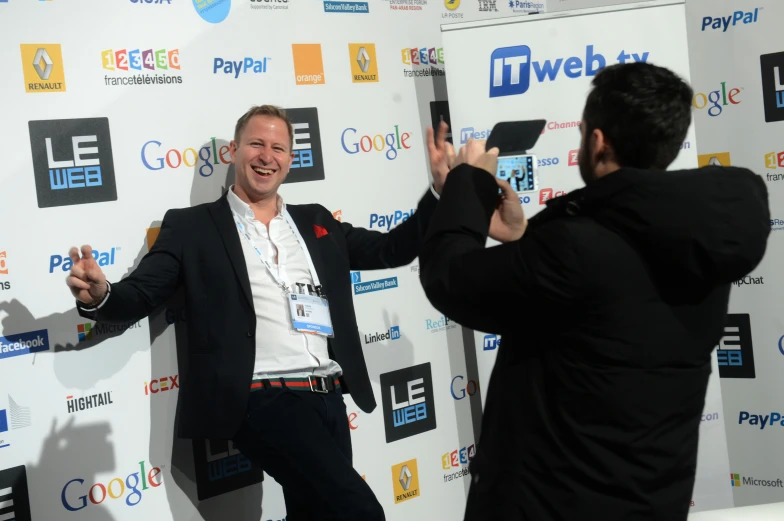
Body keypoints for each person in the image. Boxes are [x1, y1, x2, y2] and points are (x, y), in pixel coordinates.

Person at [65, 105, 455, 521]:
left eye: (278, 148)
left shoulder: (316, 221)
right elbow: (141, 293)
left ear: (290, 159)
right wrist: (100, 294)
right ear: (234, 151)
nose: (267, 156)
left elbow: (390, 250)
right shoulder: (193, 227)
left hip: (327, 397)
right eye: (256, 144)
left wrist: (437, 195)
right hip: (261, 398)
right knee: (360, 513)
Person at [418, 62, 771, 521]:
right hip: (649, 502)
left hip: (554, 504)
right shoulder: (700, 238)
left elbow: (450, 278)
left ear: (598, 141)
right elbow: (600, 305)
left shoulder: (578, 247)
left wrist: (469, 182)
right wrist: (526, 237)